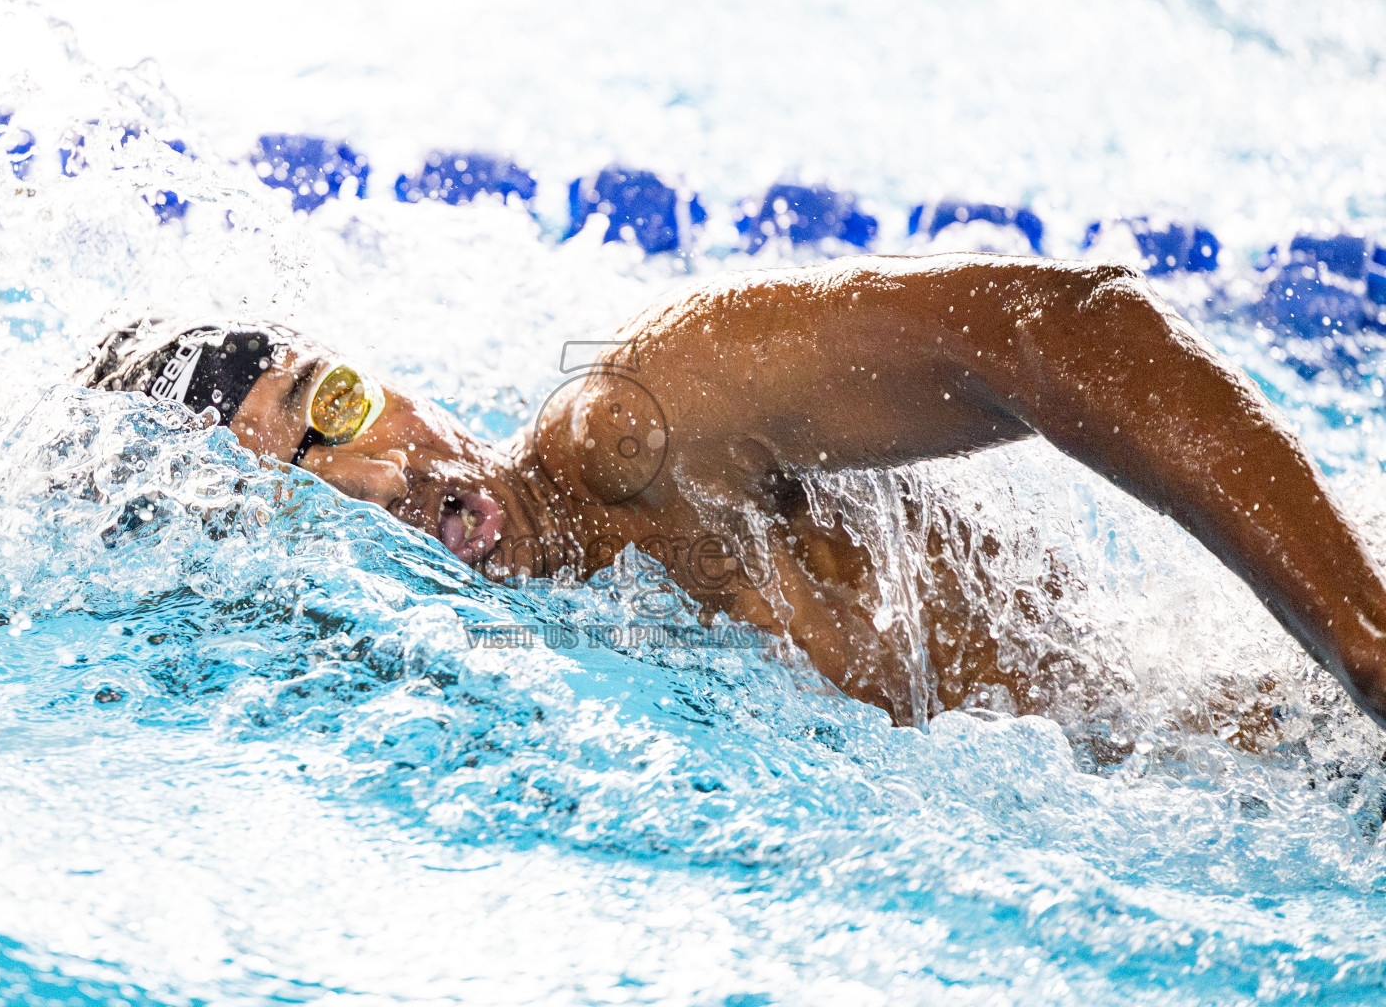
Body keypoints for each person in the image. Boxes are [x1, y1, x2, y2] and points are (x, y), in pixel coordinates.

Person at [78, 253, 1386, 736]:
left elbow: (1065, 329)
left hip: (1289, 746)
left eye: (340, 403)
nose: (379, 476)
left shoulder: (640, 429)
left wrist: (1364, 647)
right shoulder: (443, 712)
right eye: (304, 484)